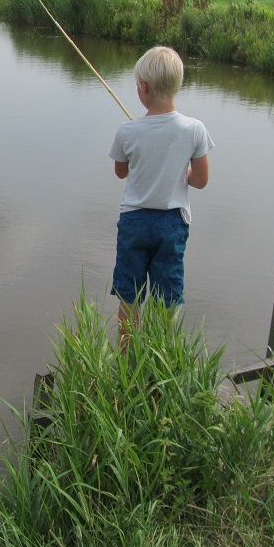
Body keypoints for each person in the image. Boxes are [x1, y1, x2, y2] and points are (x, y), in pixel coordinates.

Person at [108, 45, 213, 345]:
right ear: (178, 85)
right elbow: (201, 180)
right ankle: (163, 355)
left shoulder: (127, 131)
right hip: (172, 224)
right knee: (167, 295)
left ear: (143, 87)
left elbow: (121, 172)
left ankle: (128, 360)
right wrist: (181, 174)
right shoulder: (195, 129)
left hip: (134, 223)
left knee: (129, 295)